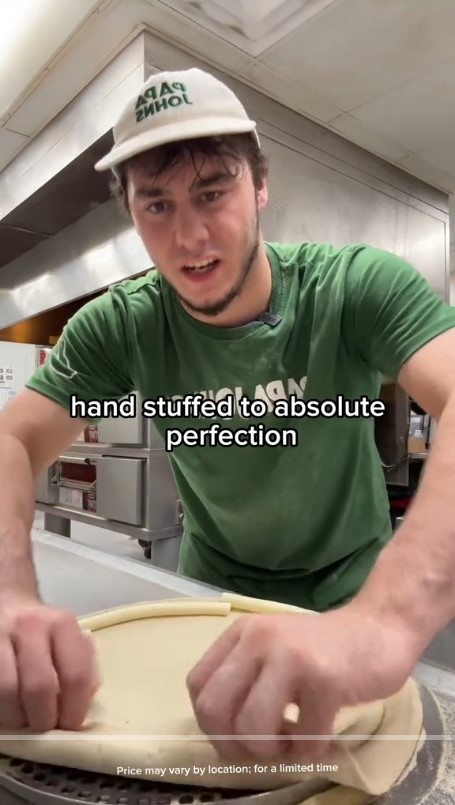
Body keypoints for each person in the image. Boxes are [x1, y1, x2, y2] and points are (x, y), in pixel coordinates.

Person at [1, 66, 455, 764]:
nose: (189, 237)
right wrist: (8, 592)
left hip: (350, 585)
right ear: (131, 215)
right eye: (156, 205)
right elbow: (15, 436)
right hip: (214, 590)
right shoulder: (124, 329)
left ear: (260, 185)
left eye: (213, 192)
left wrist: (382, 622)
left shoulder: (353, 288)